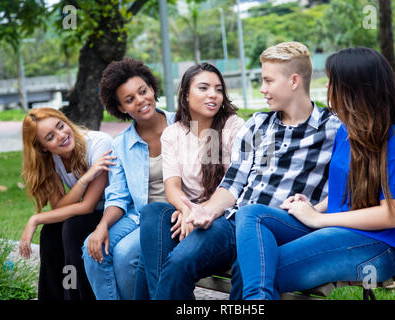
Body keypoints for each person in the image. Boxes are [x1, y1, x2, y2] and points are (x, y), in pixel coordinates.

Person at [175, 42, 395, 300]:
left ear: (355, 88)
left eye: (332, 81)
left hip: (377, 243)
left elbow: (390, 215)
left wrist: (318, 220)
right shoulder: (348, 131)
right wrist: (314, 207)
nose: (326, 86)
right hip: (340, 230)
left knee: (253, 271)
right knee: (251, 214)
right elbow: (347, 191)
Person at [135, 62, 244, 299]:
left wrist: (198, 213)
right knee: (153, 213)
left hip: (223, 219)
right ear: (185, 95)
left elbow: (237, 186)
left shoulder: (232, 126)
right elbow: (172, 186)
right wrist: (186, 210)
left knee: (151, 260)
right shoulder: (174, 133)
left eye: (218, 89)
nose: (213, 95)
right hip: (190, 217)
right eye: (203, 88)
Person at [81, 58, 175, 300]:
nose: (140, 101)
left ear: (152, 89)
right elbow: (118, 196)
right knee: (92, 248)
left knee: (124, 254)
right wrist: (101, 227)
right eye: (129, 99)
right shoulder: (120, 144)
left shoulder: (183, 124)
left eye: (143, 91)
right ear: (122, 108)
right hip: (140, 214)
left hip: (173, 214)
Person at [19, 107, 113, 300]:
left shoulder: (99, 144)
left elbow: (87, 205)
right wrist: (84, 180)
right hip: (91, 214)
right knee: (50, 232)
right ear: (42, 147)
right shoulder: (51, 159)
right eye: (50, 137)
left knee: (72, 227)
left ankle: (75, 296)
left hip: (115, 212)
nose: (62, 136)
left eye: (61, 126)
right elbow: (58, 208)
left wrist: (35, 218)